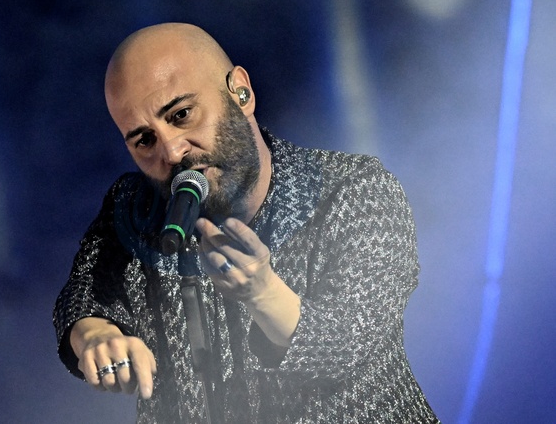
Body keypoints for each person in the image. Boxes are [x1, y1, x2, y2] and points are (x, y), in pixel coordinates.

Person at [53, 22, 439, 423]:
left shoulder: (355, 189)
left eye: (182, 115)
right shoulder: (135, 208)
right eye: (144, 140)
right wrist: (96, 335)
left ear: (241, 92)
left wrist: (264, 293)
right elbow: (83, 294)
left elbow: (347, 344)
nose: (172, 151)